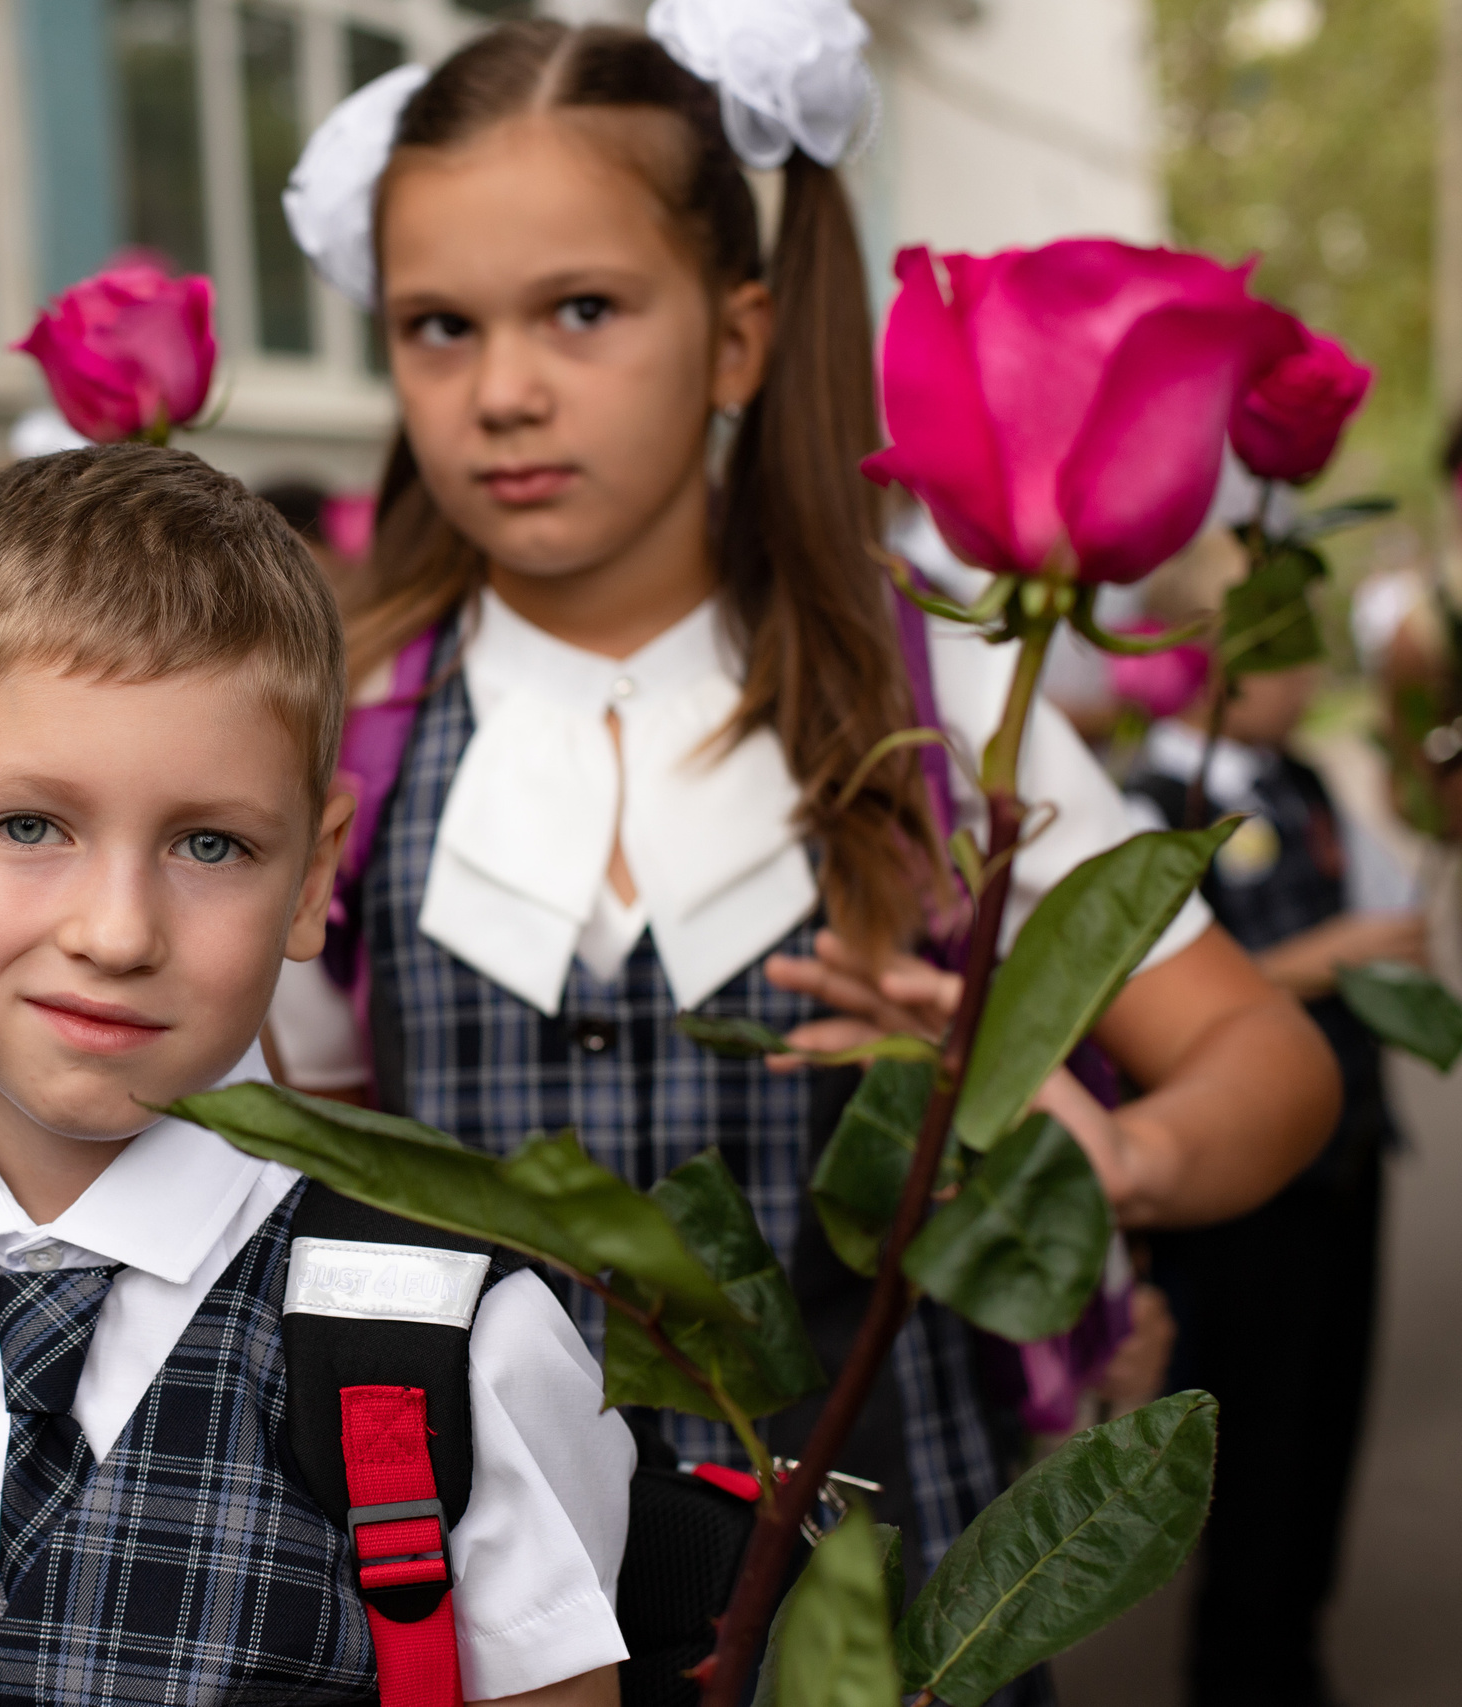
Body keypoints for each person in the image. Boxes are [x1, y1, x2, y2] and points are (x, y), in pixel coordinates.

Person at [266, 15, 1339, 1675]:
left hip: (889, 1611)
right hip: (466, 1624)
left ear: (741, 335)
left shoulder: (933, 692)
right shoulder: (347, 726)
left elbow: (1269, 1064)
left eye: (583, 308)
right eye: (437, 326)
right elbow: (316, 1169)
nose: (503, 388)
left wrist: (1116, 1161)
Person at [0, 445, 634, 1707]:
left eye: (211, 843)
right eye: (29, 827)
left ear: (313, 877)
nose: (116, 930)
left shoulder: (453, 1349)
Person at [1126, 656, 1419, 1707]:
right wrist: (1322, 956)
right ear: (1207, 657)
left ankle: (1291, 1654)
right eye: (1285, 647)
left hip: (1343, 1166)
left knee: (1318, 1444)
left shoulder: (1299, 781)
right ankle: (1242, 1671)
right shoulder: (1147, 806)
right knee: (1245, 1450)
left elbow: (1389, 896)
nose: (1308, 670)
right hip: (1241, 1208)